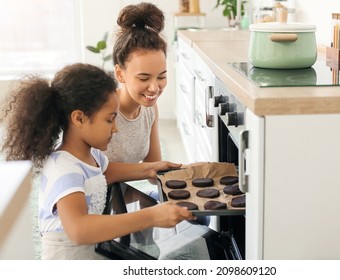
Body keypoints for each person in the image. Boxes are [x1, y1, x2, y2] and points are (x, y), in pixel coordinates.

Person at [0, 63, 195, 259]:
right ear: (79, 118)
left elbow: (107, 172)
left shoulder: (92, 155)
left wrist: (151, 169)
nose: (115, 128)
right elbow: (79, 229)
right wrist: (151, 216)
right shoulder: (64, 169)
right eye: (110, 119)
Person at [104, 2, 166, 174]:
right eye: (144, 78)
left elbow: (155, 169)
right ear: (120, 73)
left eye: (161, 76)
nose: (154, 88)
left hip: (124, 198)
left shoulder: (150, 109)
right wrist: (148, 170)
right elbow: (94, 173)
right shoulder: (102, 110)